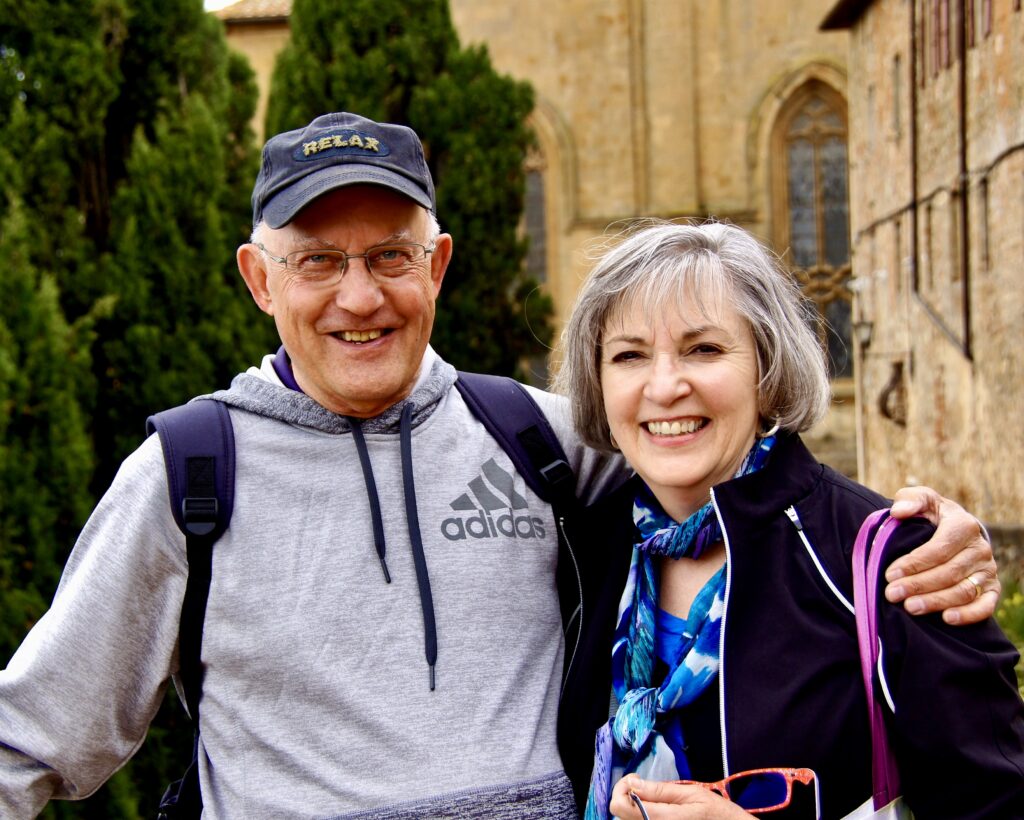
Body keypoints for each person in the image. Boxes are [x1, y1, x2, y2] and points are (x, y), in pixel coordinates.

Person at [0, 113, 1001, 818]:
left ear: (436, 265)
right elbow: (31, 738)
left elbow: (739, 489)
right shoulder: (184, 475)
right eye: (317, 260)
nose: (358, 297)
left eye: (390, 255)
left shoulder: (542, 440)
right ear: (259, 279)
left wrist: (923, 543)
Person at [553, 220, 1024, 819]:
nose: (665, 385)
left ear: (767, 372)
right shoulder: (580, 552)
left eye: (705, 349)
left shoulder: (895, 564)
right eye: (629, 355)